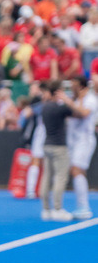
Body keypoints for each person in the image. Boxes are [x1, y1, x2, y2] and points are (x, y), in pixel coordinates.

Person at [39, 81, 83, 222]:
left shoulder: (45, 107)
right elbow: (79, 113)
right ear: (57, 92)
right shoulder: (59, 108)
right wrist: (66, 100)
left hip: (47, 145)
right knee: (60, 178)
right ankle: (57, 209)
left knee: (46, 177)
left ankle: (46, 209)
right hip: (59, 147)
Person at [66, 76, 97, 219]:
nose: (72, 87)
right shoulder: (77, 99)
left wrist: (68, 102)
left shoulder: (90, 99)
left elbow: (84, 113)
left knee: (76, 169)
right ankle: (82, 206)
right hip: (75, 140)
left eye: (74, 84)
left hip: (85, 140)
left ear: (81, 86)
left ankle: (84, 207)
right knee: (78, 171)